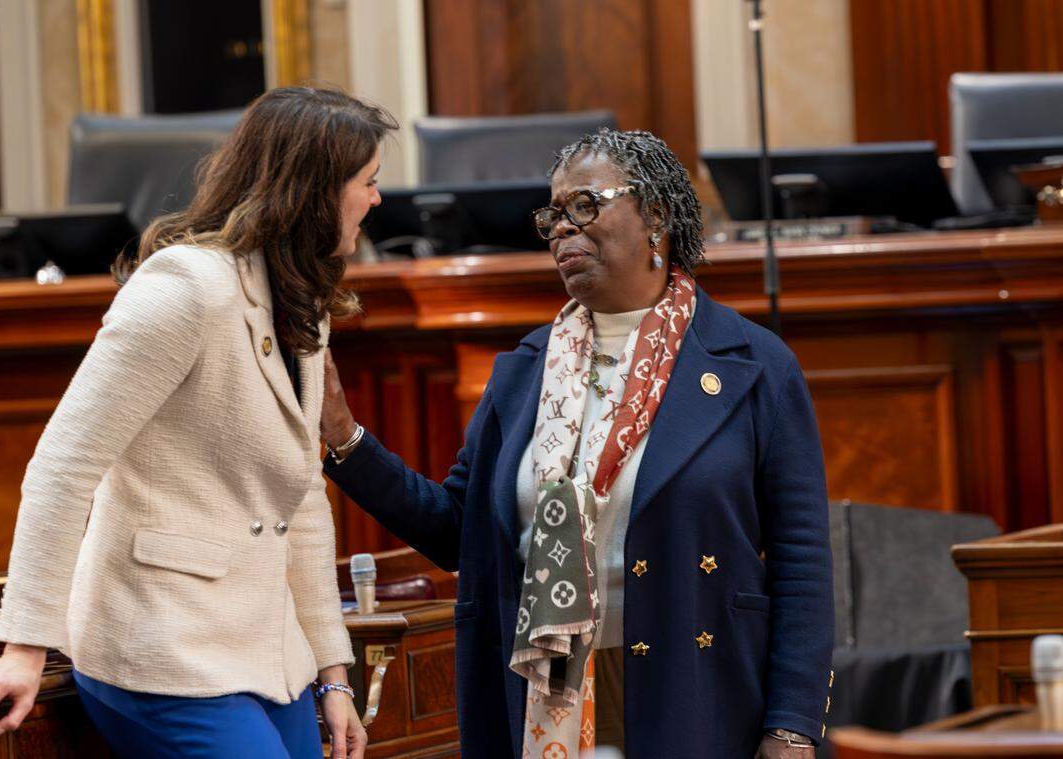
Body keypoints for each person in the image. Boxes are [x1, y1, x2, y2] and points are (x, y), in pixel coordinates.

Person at [320, 129, 834, 758]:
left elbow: (802, 560)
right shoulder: (525, 372)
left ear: (656, 217)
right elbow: (457, 530)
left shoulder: (753, 364)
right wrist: (345, 439)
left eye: (585, 207)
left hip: (696, 687)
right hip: (545, 692)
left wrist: (792, 725)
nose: (564, 230)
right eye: (553, 215)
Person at [0, 87, 397, 759]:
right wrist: (23, 648)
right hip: (160, 645)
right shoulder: (183, 288)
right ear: (313, 192)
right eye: (367, 183)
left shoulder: (301, 301)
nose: (377, 199)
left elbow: (302, 496)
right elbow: (64, 467)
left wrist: (332, 674)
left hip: (266, 652)